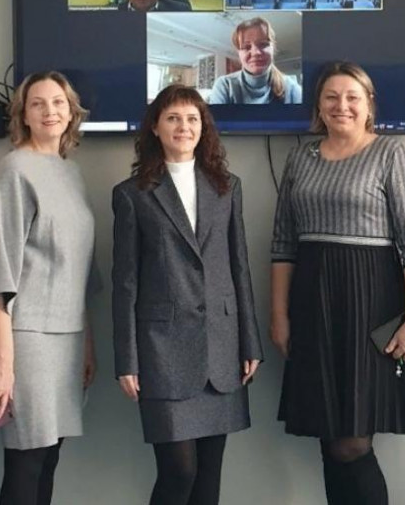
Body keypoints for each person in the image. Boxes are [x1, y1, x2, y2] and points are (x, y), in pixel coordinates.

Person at [270, 61, 405, 505]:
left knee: (352, 444)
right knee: (328, 438)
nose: (342, 105)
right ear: (319, 106)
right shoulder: (300, 158)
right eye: (331, 97)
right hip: (312, 303)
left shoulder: (392, 155)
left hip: (370, 306)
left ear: (369, 105)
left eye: (352, 97)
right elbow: (283, 241)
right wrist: (278, 315)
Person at [112, 84, 264, 505]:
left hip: (221, 347)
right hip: (162, 352)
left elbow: (239, 267)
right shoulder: (132, 194)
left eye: (192, 118)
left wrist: (249, 342)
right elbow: (125, 282)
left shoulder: (226, 187)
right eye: (173, 118)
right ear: (155, 127)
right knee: (179, 472)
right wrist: (127, 359)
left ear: (204, 127)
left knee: (209, 476)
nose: (184, 126)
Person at [0, 71, 99, 505]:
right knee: (27, 460)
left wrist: (87, 344)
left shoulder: (71, 172)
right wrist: (3, 364)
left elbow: (80, 271)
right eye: (38, 103)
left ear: (71, 112)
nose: (50, 111)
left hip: (69, 337)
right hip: (26, 337)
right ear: (23, 115)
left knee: (49, 457)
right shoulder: (14, 170)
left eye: (58, 103)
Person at [209, 17, 302, 105]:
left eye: (263, 44)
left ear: (273, 48)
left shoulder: (291, 88)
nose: (256, 52)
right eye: (246, 47)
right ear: (239, 53)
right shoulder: (225, 86)